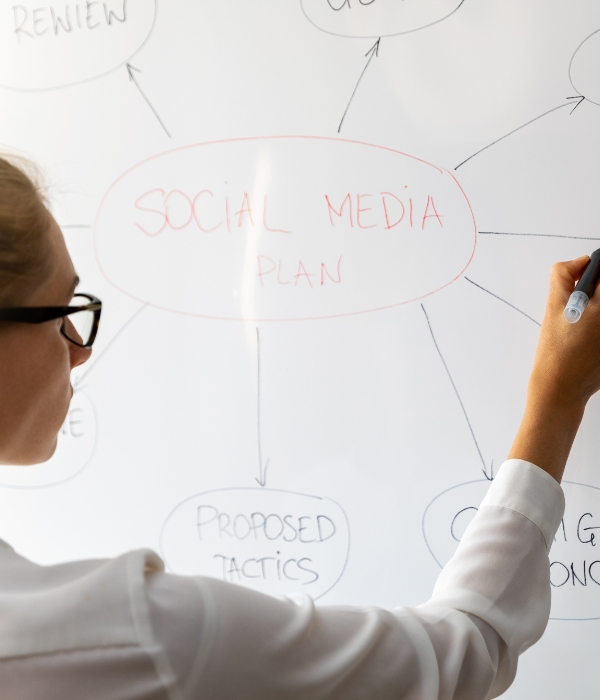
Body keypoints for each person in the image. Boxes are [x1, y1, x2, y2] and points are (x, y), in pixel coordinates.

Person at [0, 154, 593, 700]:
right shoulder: (132, 636)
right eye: (63, 315)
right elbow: (462, 652)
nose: (79, 352)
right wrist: (558, 399)